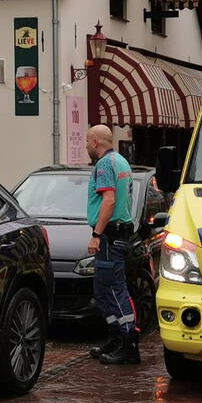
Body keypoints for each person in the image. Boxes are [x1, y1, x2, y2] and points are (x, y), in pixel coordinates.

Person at [84, 125, 139, 365]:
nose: (86, 146)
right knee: (103, 289)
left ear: (95, 142)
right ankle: (116, 338)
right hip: (119, 234)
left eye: (87, 141)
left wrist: (97, 234)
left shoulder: (105, 165)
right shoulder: (121, 162)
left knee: (114, 290)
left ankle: (129, 345)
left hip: (109, 235)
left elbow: (109, 200)